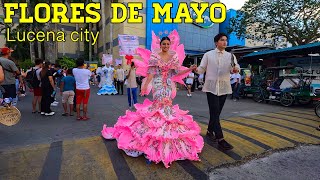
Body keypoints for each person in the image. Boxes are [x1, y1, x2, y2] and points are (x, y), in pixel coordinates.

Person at [101, 32, 203, 168]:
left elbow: (175, 73)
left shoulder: (174, 56)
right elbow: (151, 73)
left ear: (170, 45)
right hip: (158, 83)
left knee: (167, 107)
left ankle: (165, 134)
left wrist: (189, 69)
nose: (166, 46)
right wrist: (144, 87)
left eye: (168, 44)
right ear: (160, 45)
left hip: (168, 84)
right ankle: (154, 136)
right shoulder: (155, 55)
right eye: (164, 44)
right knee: (158, 106)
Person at [195, 33, 240, 151]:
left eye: (226, 40)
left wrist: (235, 69)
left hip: (224, 87)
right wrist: (195, 69)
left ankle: (210, 131)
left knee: (216, 113)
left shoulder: (230, 56)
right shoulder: (208, 55)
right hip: (211, 87)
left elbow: (235, 68)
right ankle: (220, 139)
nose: (225, 42)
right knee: (215, 112)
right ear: (216, 42)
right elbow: (201, 69)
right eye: (222, 40)